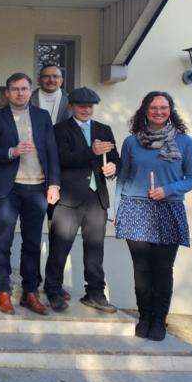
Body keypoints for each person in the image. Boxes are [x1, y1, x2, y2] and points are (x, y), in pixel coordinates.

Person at [114, 91, 192, 341]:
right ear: (145, 110)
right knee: (141, 270)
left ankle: (158, 320)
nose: (158, 112)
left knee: (163, 269)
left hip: (169, 208)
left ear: (170, 110)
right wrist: (117, 209)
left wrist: (168, 190)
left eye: (164, 107)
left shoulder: (184, 142)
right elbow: (123, 177)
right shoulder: (132, 142)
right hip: (135, 208)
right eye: (153, 107)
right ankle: (144, 317)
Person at [0, 73, 60, 316]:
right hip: (9, 187)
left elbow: (52, 151)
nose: (20, 93)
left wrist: (54, 184)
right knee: (3, 241)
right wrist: (11, 151)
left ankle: (30, 293)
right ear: (7, 93)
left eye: (24, 88)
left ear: (31, 91)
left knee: (32, 243)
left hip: (37, 186)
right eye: (15, 89)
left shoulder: (42, 116)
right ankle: (4, 291)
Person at [44, 87, 120, 313]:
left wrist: (113, 167)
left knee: (95, 249)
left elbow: (116, 157)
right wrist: (91, 151)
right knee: (60, 247)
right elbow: (60, 159)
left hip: (97, 198)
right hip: (68, 198)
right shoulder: (59, 130)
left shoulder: (103, 129)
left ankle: (95, 293)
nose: (86, 110)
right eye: (81, 106)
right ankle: (53, 290)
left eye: (90, 106)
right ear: (71, 107)